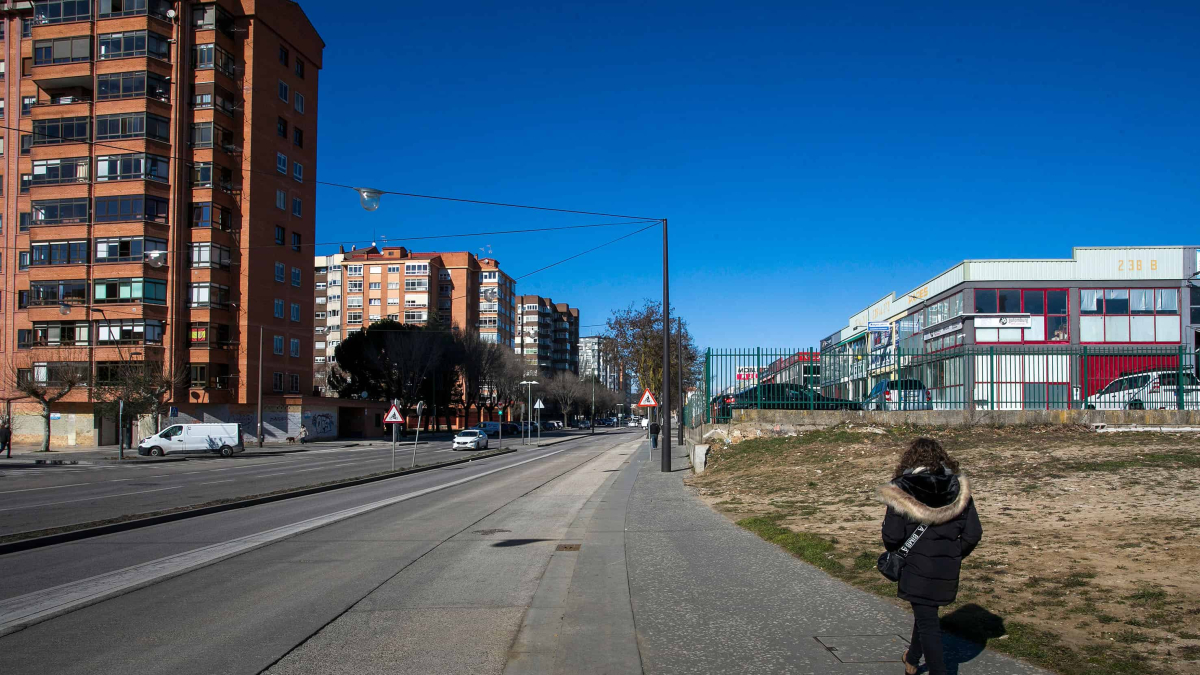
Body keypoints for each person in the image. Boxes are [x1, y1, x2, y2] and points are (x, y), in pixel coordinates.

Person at [877, 438, 982, 675]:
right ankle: (912, 659)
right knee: (927, 612)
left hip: (916, 565)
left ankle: (939, 670)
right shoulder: (958, 489)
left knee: (927, 621)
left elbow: (892, 537)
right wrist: (955, 552)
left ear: (910, 459)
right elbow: (973, 533)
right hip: (948, 564)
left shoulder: (901, 488)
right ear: (942, 458)